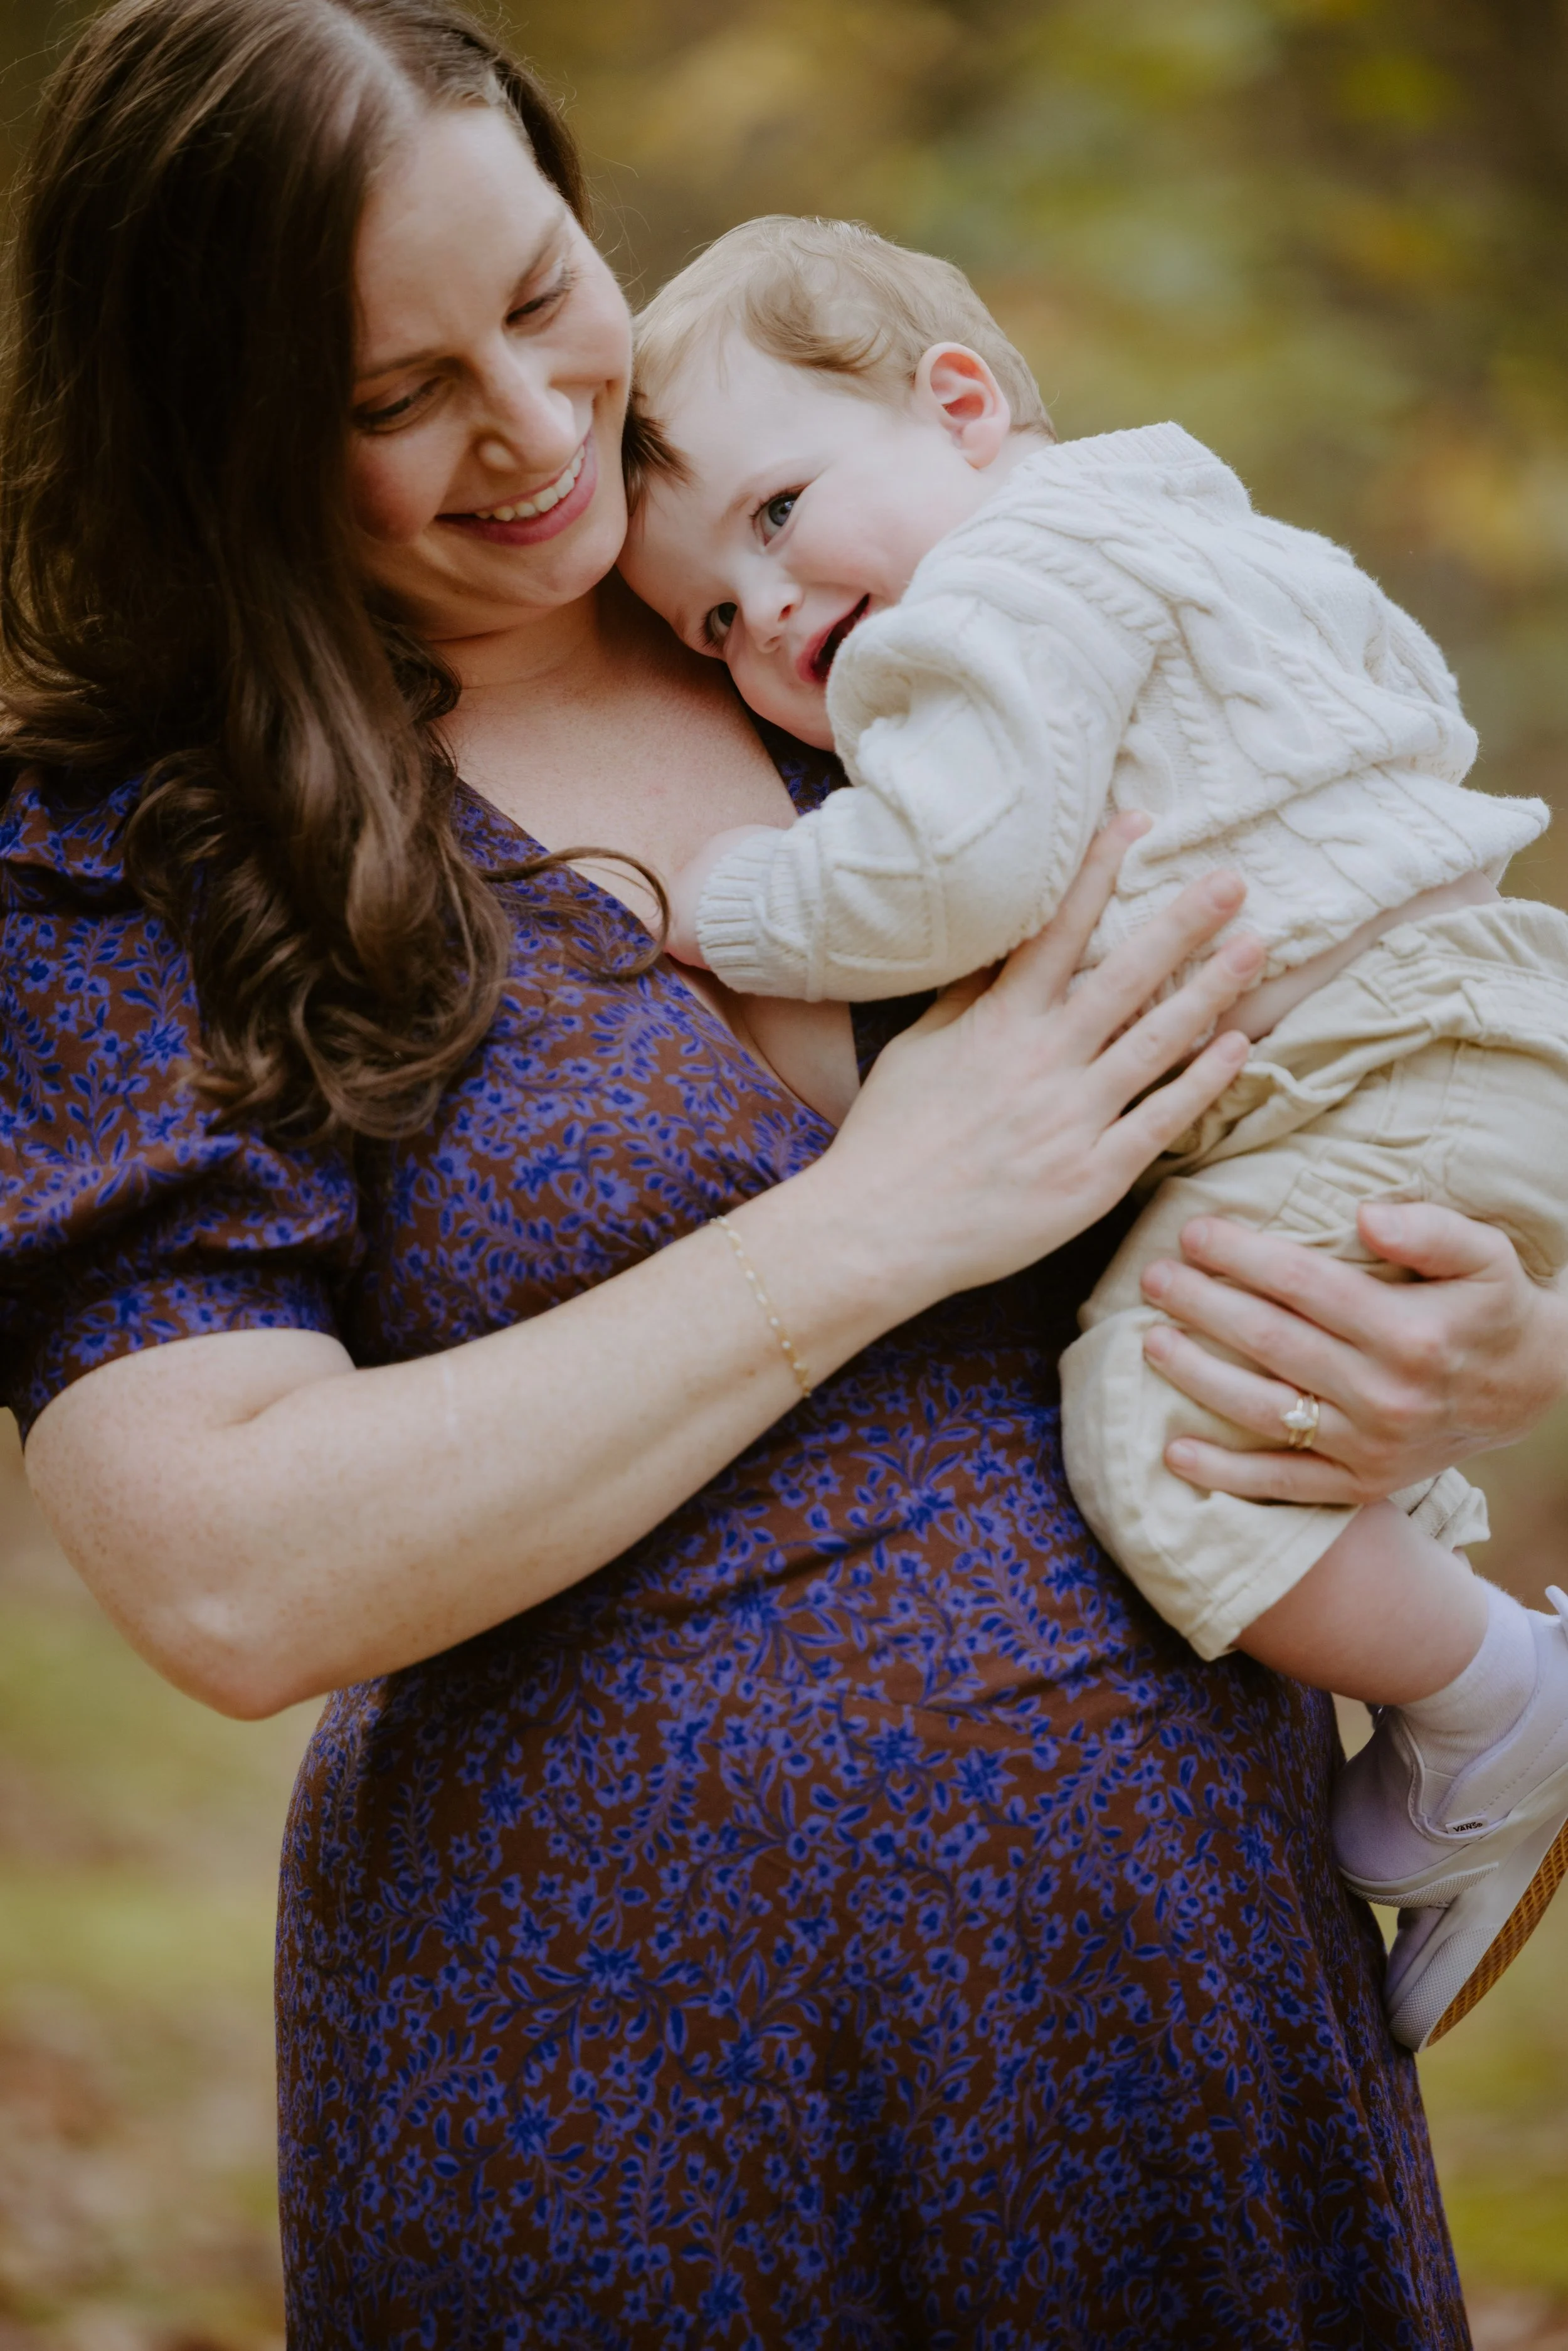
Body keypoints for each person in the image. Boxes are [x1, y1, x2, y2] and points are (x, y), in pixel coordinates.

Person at [2, 3, 1566, 2343]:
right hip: (620, 2082)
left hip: (1180, 2002)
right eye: (383, 394)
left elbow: (1355, 975)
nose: (532, 432)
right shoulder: (146, 850)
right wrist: (874, 1218)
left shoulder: (836, 614)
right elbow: (226, 1574)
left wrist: (1494, 1333)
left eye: (541, 302)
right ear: (206, 424)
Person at [618, 215, 1568, 2052]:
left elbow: (950, 871)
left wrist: (729, 899)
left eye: (776, 515)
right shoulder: (1192, 534)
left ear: (960, 405)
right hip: (1462, 1026)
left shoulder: (987, 607)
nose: (767, 618)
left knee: (1153, 1423)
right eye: (711, 622)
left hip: (1363, 1053)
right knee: (1269, 1365)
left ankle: (1495, 1696)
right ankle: (1445, 1641)